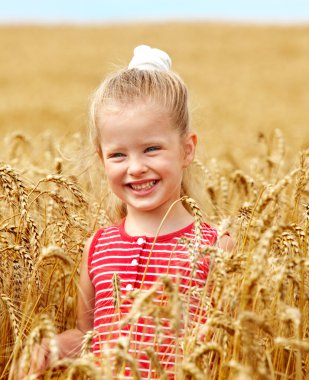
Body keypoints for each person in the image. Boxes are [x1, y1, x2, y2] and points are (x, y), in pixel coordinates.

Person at [20, 45, 233, 379]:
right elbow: (89, 336)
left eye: (151, 149)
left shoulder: (215, 245)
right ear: (101, 158)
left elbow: (231, 348)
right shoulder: (99, 247)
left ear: (187, 149)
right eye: (118, 155)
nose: (136, 168)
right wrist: (53, 348)